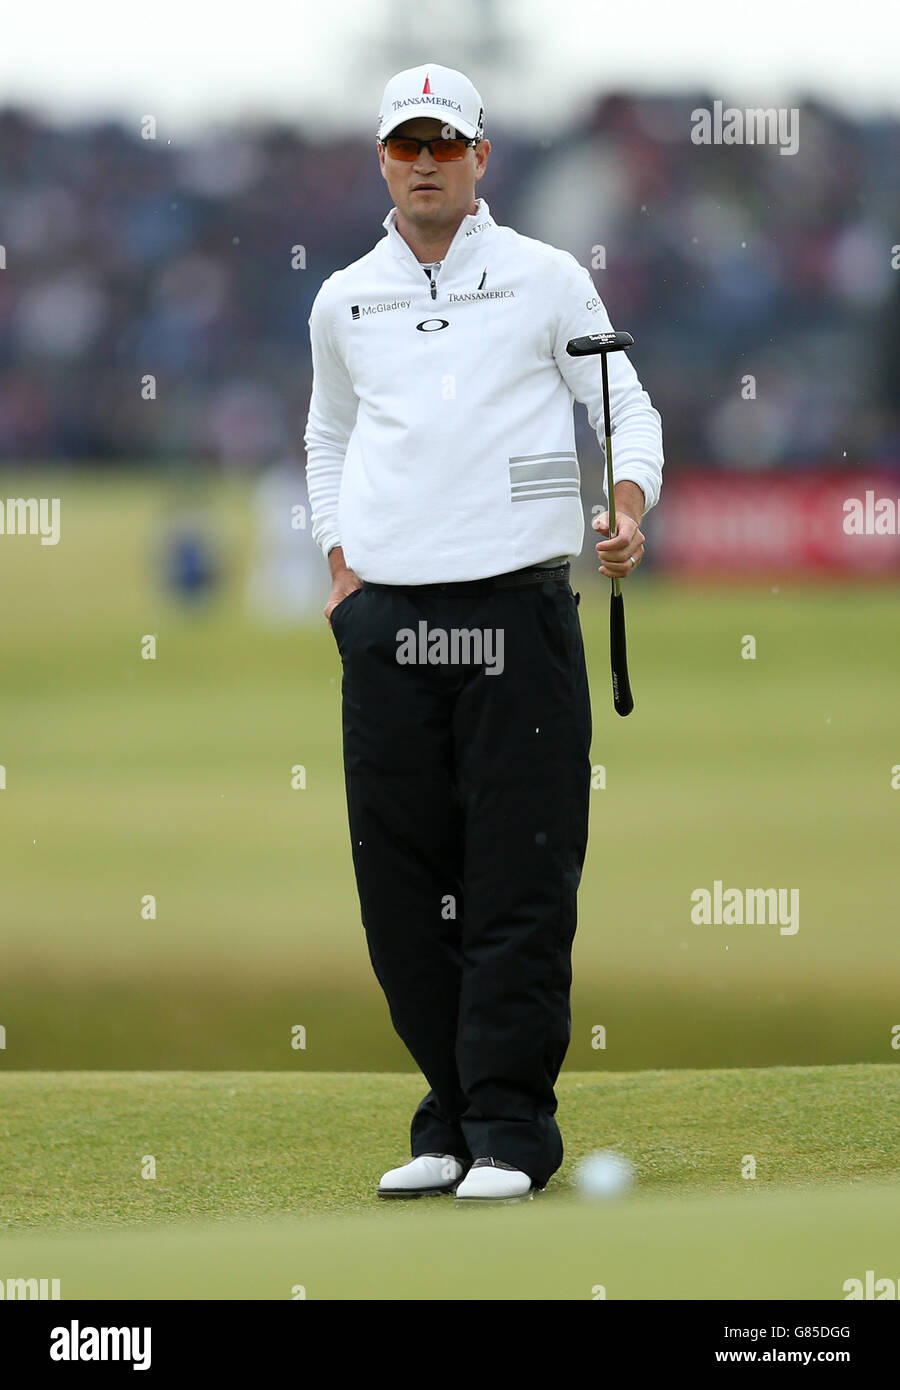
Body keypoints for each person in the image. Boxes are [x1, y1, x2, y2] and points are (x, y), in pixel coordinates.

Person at [304, 63, 663, 1201]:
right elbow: (327, 435)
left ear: (479, 159)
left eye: (444, 143)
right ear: (382, 160)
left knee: (518, 878)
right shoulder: (344, 298)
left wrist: (627, 508)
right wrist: (340, 570)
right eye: (406, 143)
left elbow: (628, 410)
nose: (425, 160)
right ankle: (448, 1116)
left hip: (518, 609)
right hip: (391, 627)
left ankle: (512, 1128)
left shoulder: (548, 279)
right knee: (403, 884)